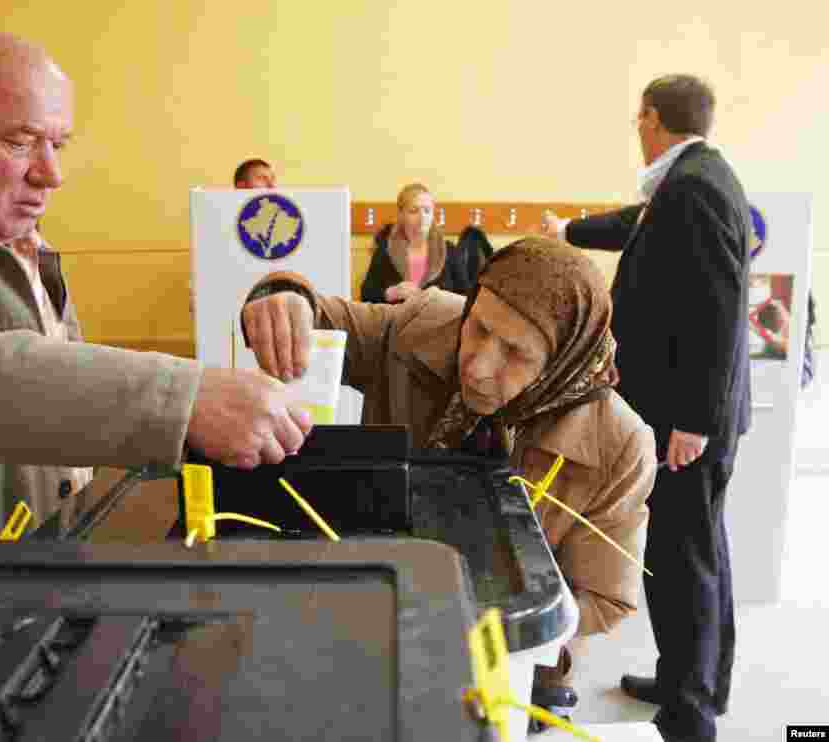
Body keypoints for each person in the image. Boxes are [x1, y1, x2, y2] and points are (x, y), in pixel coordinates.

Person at [0, 27, 311, 633]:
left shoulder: (16, 241)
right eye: (20, 143)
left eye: (58, 145)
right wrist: (184, 397)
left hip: (3, 612)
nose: (51, 174)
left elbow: (49, 408)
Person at [242, 238, 658, 696]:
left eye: (516, 354)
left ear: (560, 363)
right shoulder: (422, 326)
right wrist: (280, 299)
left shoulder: (618, 443)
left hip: (503, 661)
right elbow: (323, 318)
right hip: (377, 604)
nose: (478, 366)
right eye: (478, 327)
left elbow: (603, 594)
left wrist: (518, 635)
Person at [543, 74, 751, 742]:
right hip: (686, 411)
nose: (637, 128)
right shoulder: (693, 178)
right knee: (701, 546)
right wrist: (570, 229)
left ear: (650, 117)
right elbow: (637, 227)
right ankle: (695, 677)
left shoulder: (693, 186)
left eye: (639, 118)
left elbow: (716, 313)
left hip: (684, 420)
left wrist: (692, 420)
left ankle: (690, 710)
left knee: (680, 552)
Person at [360, 183, 485, 303]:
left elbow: (465, 298)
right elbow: (366, 295)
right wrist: (391, 293)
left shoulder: (449, 251)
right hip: (397, 323)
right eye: (414, 211)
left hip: (439, 323)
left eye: (427, 210)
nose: (422, 217)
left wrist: (440, 298)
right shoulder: (385, 250)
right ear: (401, 215)